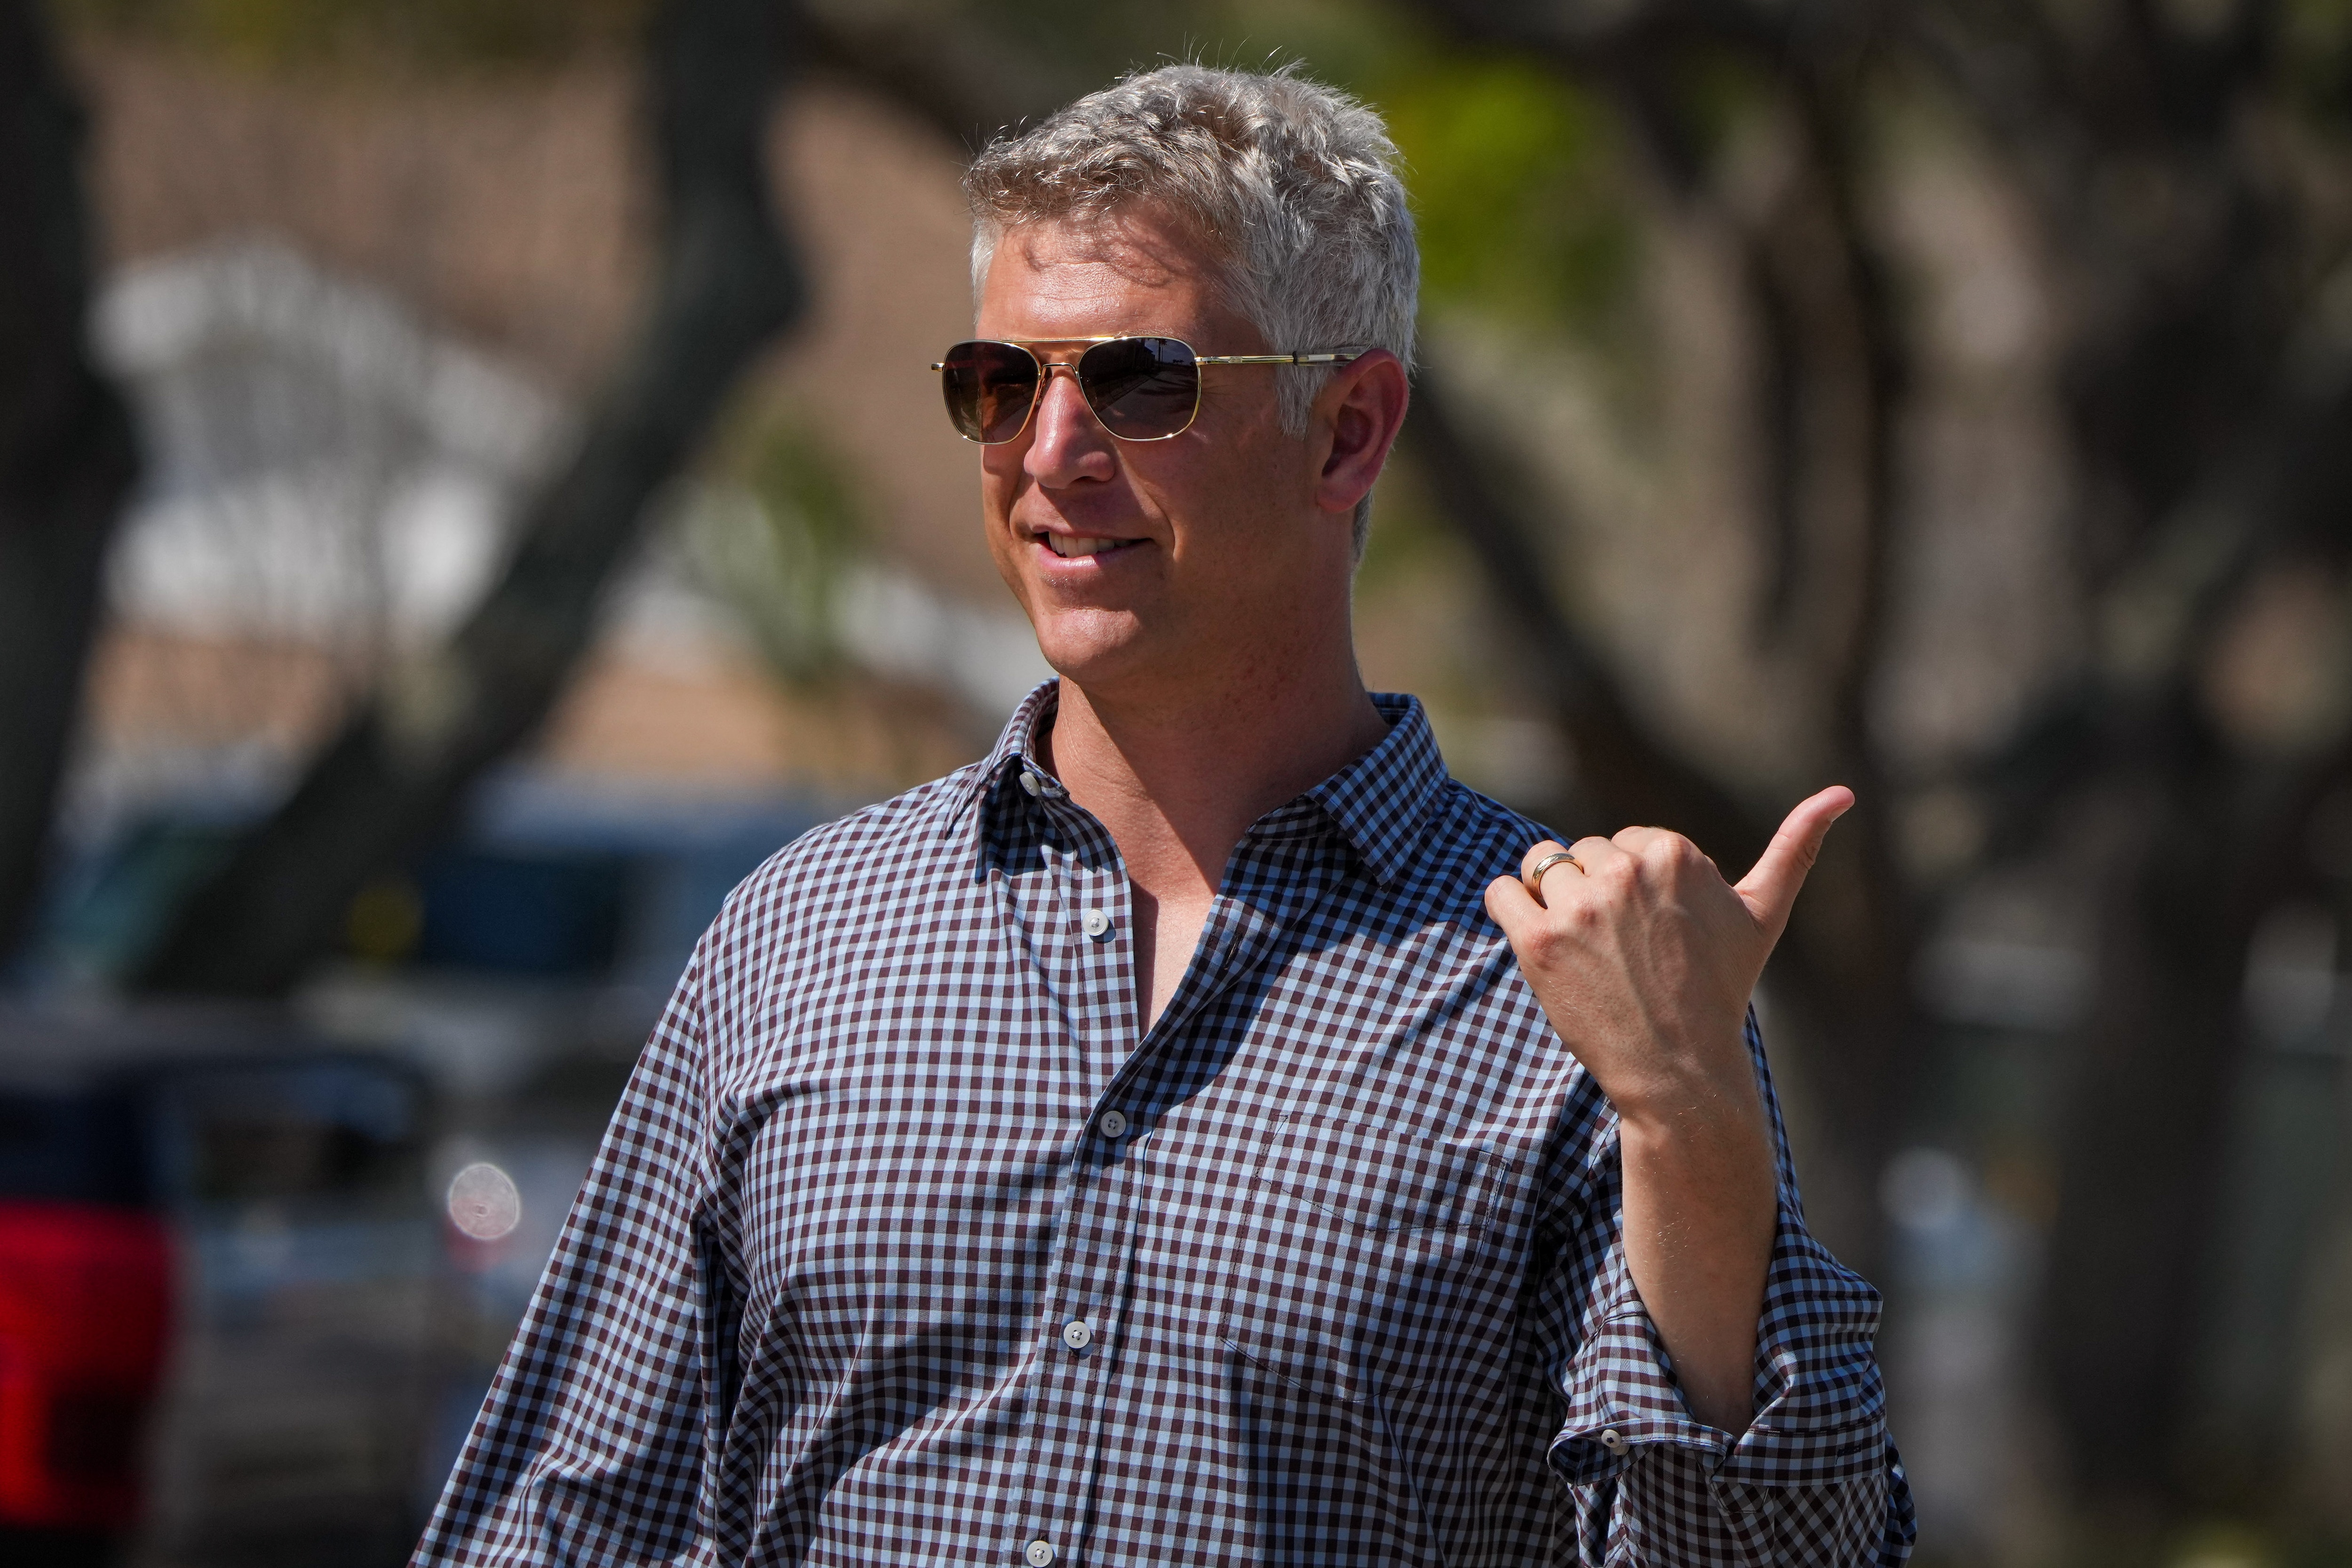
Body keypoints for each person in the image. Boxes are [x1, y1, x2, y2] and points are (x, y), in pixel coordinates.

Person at [413, 63, 1915, 1568]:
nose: (1052, 454)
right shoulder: (797, 941)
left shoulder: (1580, 993)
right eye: (1001, 386)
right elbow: (564, 1522)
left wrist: (1686, 1121)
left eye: (1141, 382)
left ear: (1349, 432)